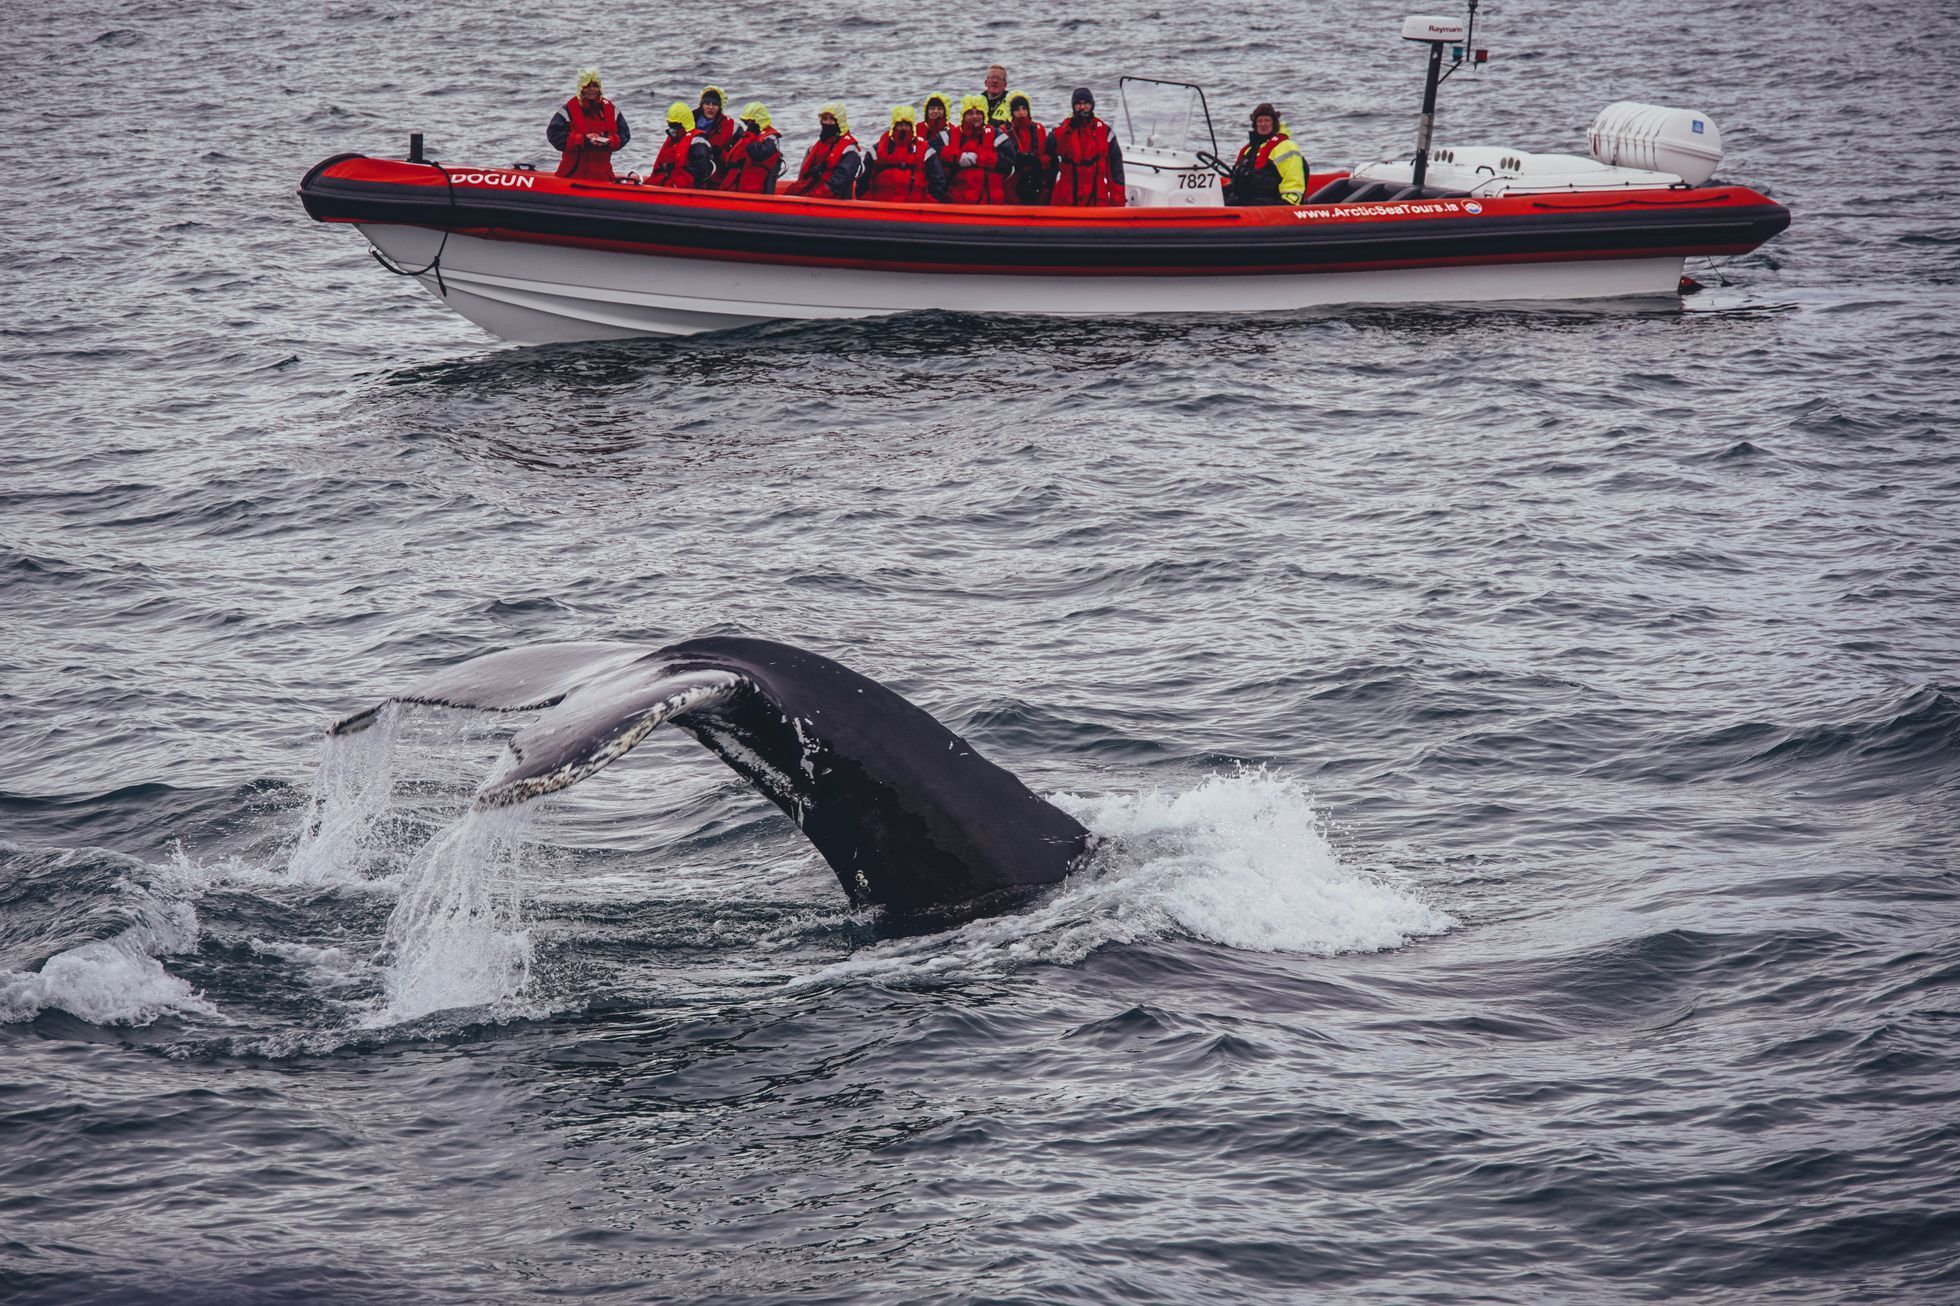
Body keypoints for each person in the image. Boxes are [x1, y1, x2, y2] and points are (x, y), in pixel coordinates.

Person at [1048, 86, 1125, 207]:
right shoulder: (1063, 130)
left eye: (1086, 104)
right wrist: (1069, 128)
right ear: (1073, 107)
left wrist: (1118, 202)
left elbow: (1116, 171)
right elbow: (1050, 151)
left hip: (1097, 198)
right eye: (1078, 104)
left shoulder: (1105, 132)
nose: (1083, 107)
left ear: (1092, 105)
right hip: (1067, 198)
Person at [549, 68, 630, 181]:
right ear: (580, 88)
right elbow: (554, 136)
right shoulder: (568, 111)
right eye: (587, 86)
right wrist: (583, 140)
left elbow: (624, 135)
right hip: (572, 175)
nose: (592, 90)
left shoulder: (611, 110)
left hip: (602, 176)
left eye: (595, 86)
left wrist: (608, 141)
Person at [1223, 102, 1307, 206]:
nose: (1263, 124)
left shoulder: (1286, 146)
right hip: (1245, 202)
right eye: (1260, 121)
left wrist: (1287, 204)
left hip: (1269, 203)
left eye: (1267, 120)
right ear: (1255, 124)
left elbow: (1293, 180)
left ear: (1274, 123)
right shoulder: (1249, 149)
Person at [859, 105, 945, 203]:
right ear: (894, 126)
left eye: (907, 125)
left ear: (912, 127)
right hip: (882, 206)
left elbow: (938, 180)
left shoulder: (925, 151)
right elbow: (863, 181)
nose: (903, 128)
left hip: (915, 208)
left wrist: (928, 203)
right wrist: (869, 202)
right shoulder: (876, 150)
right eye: (900, 125)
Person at [943, 94, 1013, 204]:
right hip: (957, 201)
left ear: (984, 115)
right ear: (963, 116)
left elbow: (1009, 160)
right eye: (970, 113)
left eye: (978, 113)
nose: (975, 116)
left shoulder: (996, 135)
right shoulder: (949, 135)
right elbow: (932, 151)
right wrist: (957, 156)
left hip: (990, 201)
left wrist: (983, 158)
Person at [788, 102, 861, 200]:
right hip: (812, 194)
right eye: (825, 119)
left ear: (839, 121)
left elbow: (838, 182)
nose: (827, 123)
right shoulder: (818, 145)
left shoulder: (849, 150)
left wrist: (814, 196)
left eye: (831, 119)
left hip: (832, 200)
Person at [720, 102, 784, 193]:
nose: (747, 125)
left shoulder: (770, 138)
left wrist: (751, 135)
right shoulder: (748, 136)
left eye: (749, 122)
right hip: (735, 188)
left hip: (754, 191)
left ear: (757, 121)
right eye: (745, 122)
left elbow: (757, 154)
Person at [1004, 93, 1052, 205]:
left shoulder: (1039, 129)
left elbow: (1048, 156)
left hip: (1036, 179)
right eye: (1017, 110)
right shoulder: (1005, 130)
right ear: (1011, 112)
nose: (1021, 113)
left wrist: (1038, 161)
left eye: (1024, 109)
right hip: (1014, 181)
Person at [644, 101, 698, 187]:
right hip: (665, 184)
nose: (673, 129)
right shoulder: (673, 140)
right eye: (671, 125)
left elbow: (697, 173)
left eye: (675, 126)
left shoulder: (696, 143)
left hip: (678, 188)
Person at [694, 85, 737, 163]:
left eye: (715, 104)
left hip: (718, 170)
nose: (711, 107)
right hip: (692, 169)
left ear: (720, 107)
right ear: (701, 105)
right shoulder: (689, 122)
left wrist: (720, 155)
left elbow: (740, 151)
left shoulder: (730, 125)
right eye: (707, 103)